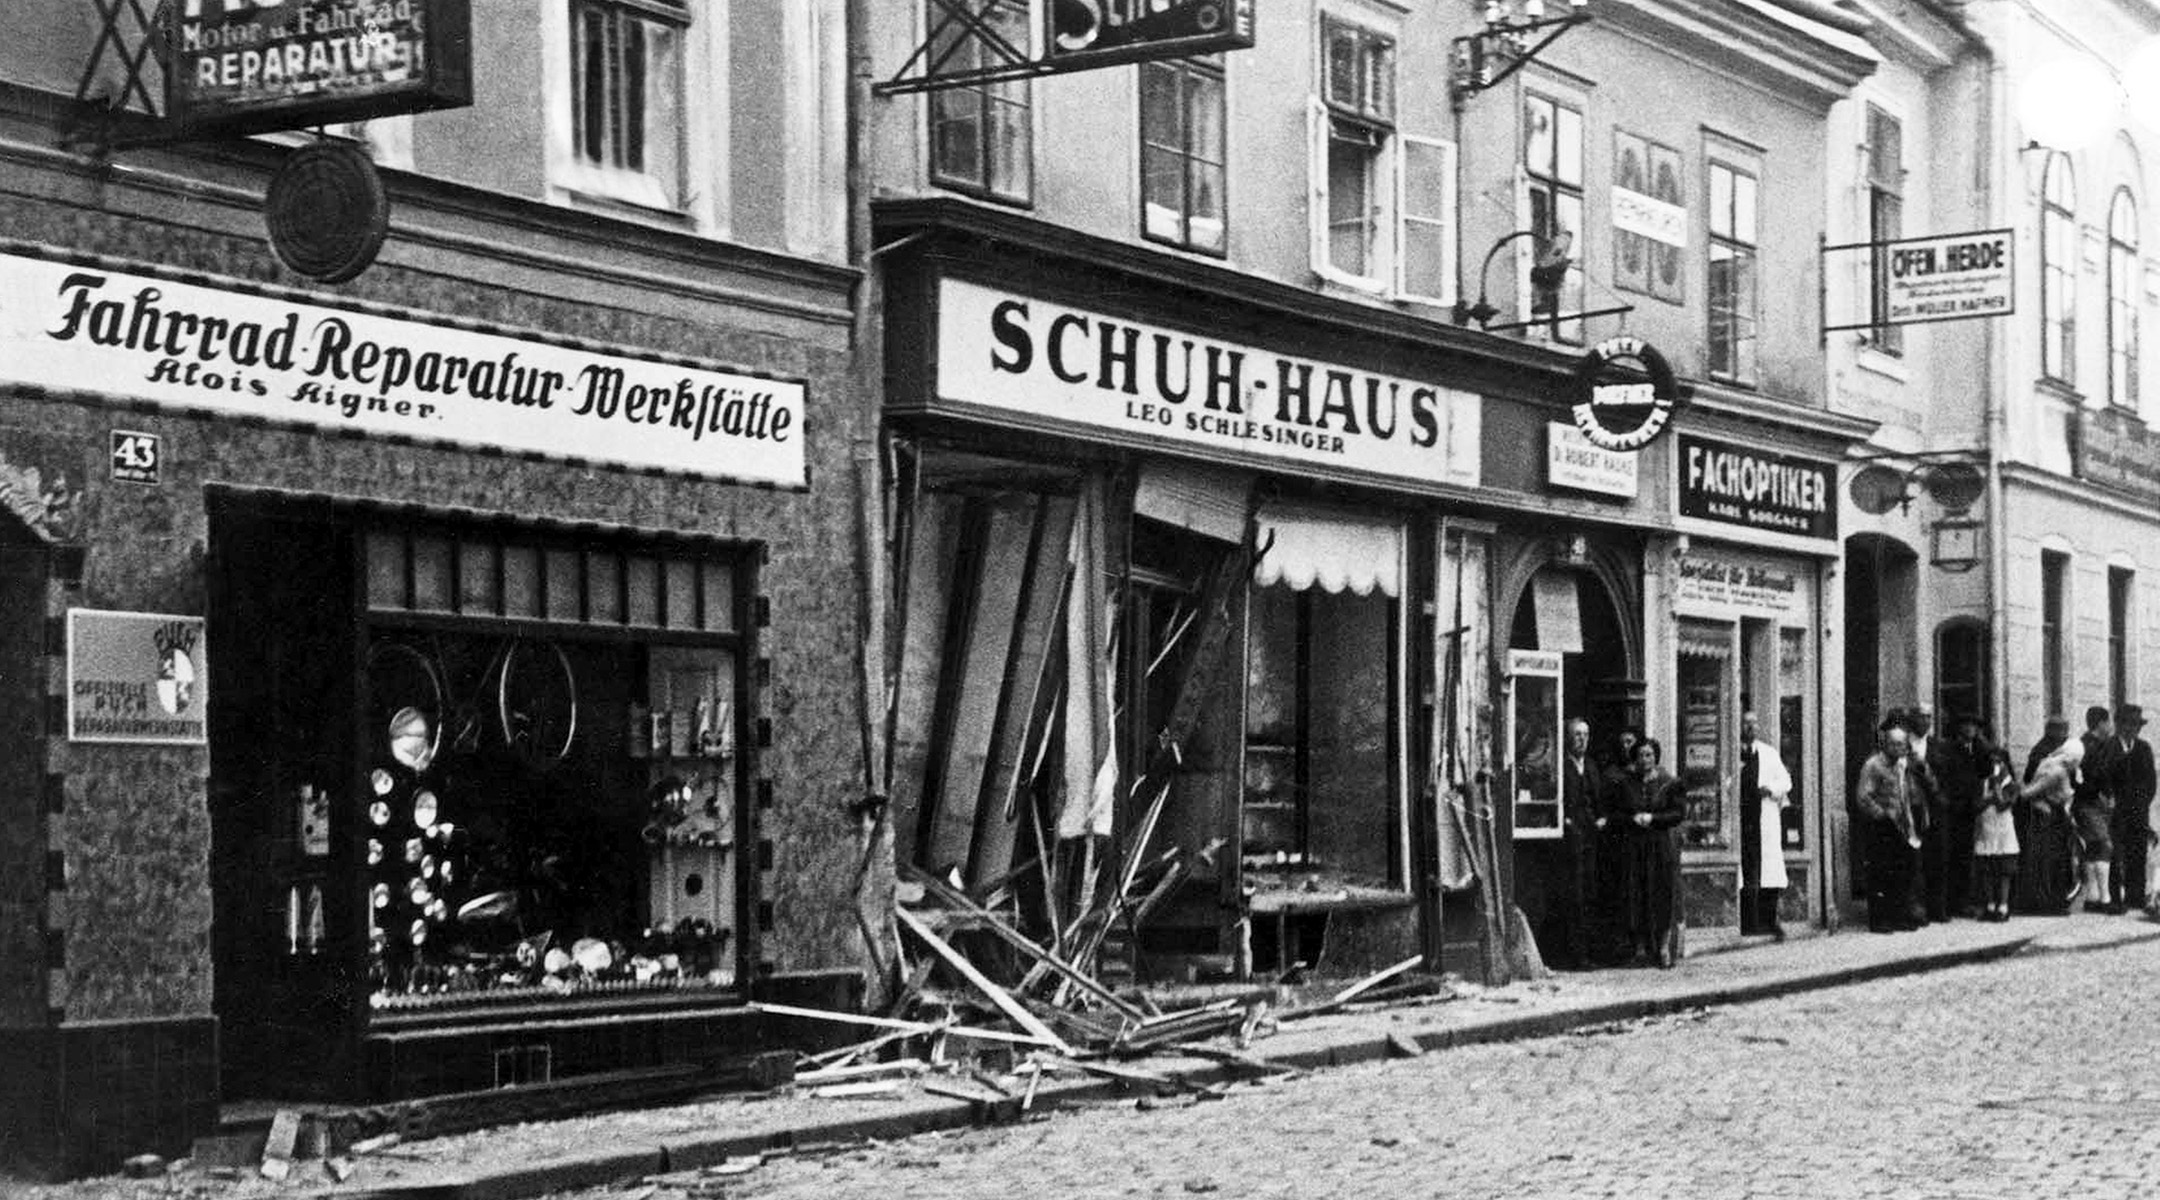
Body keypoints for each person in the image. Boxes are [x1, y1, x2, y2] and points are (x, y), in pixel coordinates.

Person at [1605, 736, 1686, 967]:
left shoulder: (1669, 783)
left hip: (1660, 846)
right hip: (1635, 846)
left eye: (1649, 755)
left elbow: (1678, 814)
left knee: (1661, 894)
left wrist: (1654, 818)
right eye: (1640, 755)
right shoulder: (1626, 783)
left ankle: (1662, 948)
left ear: (1656, 757)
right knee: (1637, 895)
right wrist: (1632, 819)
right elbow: (1615, 814)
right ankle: (1639, 948)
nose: (1645, 759)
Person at [1854, 722, 1924, 933]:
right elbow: (1863, 796)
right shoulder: (1874, 765)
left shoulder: (1902, 766)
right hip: (1881, 826)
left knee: (1900, 873)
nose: (1898, 748)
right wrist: (1881, 815)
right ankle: (1879, 920)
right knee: (1880, 873)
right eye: (1893, 744)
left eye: (1901, 744)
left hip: (1901, 826)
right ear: (1884, 744)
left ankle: (1898, 917)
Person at [1737, 710, 1792, 940]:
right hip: (1742, 820)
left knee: (1769, 869)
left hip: (1765, 816)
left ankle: (1769, 921)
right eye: (1746, 723)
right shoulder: (1733, 752)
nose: (1751, 727)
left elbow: (1786, 781)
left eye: (1754, 723)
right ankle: (1748, 923)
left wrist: (1771, 789)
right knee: (1746, 870)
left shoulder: (1769, 753)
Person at [2016, 736, 2085, 915]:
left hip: (2052, 816)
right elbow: (2029, 792)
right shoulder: (2056, 772)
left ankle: (2049, 900)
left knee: (2050, 861)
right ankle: (2048, 902)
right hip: (2050, 818)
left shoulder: (2051, 764)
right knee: (2049, 861)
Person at [1557, 717, 1605, 967]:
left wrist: (1601, 819)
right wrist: (1564, 821)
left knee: (1589, 893)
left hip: (1590, 839)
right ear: (1567, 737)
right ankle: (1574, 955)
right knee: (1572, 894)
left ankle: (1589, 952)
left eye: (1585, 735)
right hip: (1569, 839)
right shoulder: (1561, 765)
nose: (1582, 740)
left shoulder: (1592, 766)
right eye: (1577, 735)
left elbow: (1600, 800)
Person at [1933, 713, 1988, 919]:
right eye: (1967, 725)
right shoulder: (1947, 749)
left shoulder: (1978, 749)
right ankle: (1947, 903)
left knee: (1965, 856)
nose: (1971, 729)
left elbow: (1986, 771)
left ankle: (1962, 902)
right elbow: (1943, 776)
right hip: (1951, 808)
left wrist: (1982, 746)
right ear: (1959, 729)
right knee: (1949, 855)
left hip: (1969, 809)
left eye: (1974, 726)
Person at [2107, 704, 2155, 913]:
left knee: (2138, 852)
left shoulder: (2144, 748)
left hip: (2138, 810)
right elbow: (2104, 775)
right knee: (2116, 853)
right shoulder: (2110, 747)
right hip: (2116, 809)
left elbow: (2151, 781)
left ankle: (2135, 896)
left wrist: (2143, 802)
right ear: (2118, 725)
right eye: (2127, 725)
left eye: (2135, 726)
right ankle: (2115, 899)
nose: (2131, 729)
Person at [1905, 706, 1951, 923]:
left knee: (1937, 857)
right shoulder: (1903, 743)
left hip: (1934, 808)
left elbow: (1948, 775)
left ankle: (1937, 907)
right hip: (1911, 806)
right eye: (1921, 717)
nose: (1925, 721)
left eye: (1929, 717)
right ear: (1912, 719)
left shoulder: (1938, 746)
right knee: (1914, 859)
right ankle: (1916, 909)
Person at [2074, 705, 2118, 912]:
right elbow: (2093, 778)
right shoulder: (2090, 747)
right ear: (2100, 723)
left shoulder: (2092, 744)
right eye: (2108, 722)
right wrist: (2104, 796)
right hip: (2089, 803)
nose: (2110, 726)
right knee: (2103, 845)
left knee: (2093, 848)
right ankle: (2105, 900)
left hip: (2089, 802)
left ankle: (2092, 898)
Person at [1972, 746, 2020, 922]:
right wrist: (1988, 795)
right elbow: (1977, 805)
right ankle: (1990, 903)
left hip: (2003, 830)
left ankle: (2003, 904)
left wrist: (1997, 790)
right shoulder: (1983, 783)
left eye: (1999, 762)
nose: (1996, 766)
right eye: (1992, 762)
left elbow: (2003, 804)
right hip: (1987, 828)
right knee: (1987, 868)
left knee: (2004, 869)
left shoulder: (2012, 785)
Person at [2026, 716, 2070, 784]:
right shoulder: (2040, 750)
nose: (2066, 734)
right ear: (2053, 731)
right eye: (2064, 730)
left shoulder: (2064, 746)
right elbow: (2029, 777)